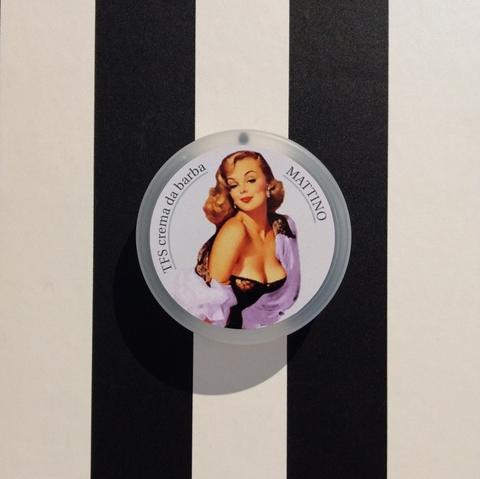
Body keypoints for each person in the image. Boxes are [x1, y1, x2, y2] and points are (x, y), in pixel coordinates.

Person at [172, 150, 300, 329]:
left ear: (269, 184)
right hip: (224, 337)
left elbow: (292, 291)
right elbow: (209, 312)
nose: (242, 190)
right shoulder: (234, 231)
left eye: (251, 180)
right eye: (233, 185)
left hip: (267, 334)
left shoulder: (284, 227)